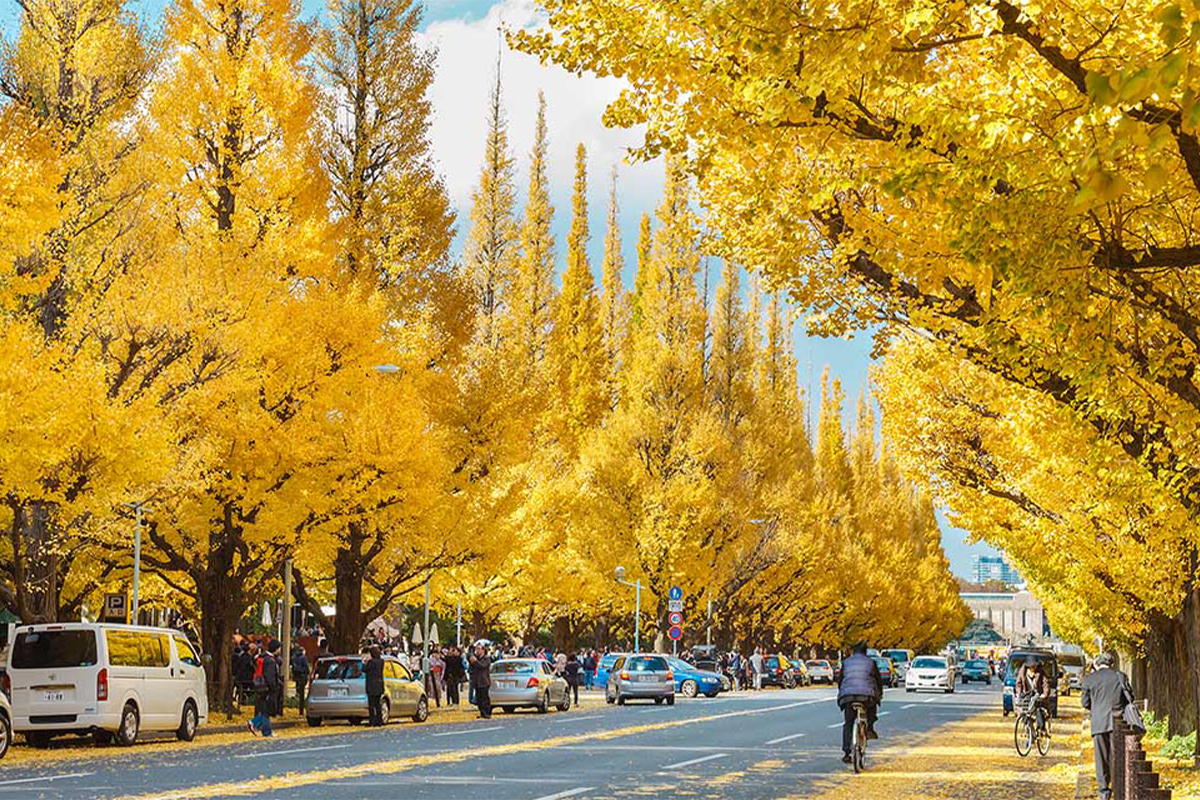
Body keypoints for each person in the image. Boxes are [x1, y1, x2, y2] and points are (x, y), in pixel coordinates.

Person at [1081, 653, 1132, 800]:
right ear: (1112, 664)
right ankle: (1119, 787)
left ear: (1098, 664)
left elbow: (1085, 703)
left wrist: (1096, 708)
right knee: (1117, 755)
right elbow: (1129, 698)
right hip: (1118, 721)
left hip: (1098, 722)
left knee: (1101, 757)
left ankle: (1104, 791)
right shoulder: (1120, 676)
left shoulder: (1090, 679)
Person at [836, 642, 883, 764]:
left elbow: (840, 680)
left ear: (853, 651)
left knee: (848, 723)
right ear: (865, 651)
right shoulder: (871, 663)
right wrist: (880, 695)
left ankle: (846, 753)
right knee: (871, 708)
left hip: (848, 696)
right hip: (867, 696)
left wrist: (842, 692)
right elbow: (878, 681)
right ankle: (870, 728)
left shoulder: (846, 662)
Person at [248, 643, 277, 737]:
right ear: (276, 649)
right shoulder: (270, 661)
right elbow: (270, 676)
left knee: (265, 709)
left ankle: (264, 729)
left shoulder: (261, 657)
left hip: (260, 685)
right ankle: (256, 724)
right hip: (266, 687)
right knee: (266, 710)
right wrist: (273, 688)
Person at [1016, 658, 1052, 733]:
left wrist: (1045, 694)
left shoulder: (1041, 672)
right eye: (1031, 667)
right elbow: (1018, 683)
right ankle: (1029, 734)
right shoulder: (1022, 672)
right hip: (1027, 695)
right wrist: (1019, 692)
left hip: (1038, 695)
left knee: (1039, 710)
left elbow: (1046, 684)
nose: (1033, 669)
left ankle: (1041, 729)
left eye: (1034, 667)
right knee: (1024, 713)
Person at [364, 645, 386, 726]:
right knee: (377, 704)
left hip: (371, 685)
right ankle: (379, 721)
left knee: (371, 705)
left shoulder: (371, 662)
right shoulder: (381, 661)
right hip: (379, 684)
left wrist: (364, 662)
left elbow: (364, 669)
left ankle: (372, 721)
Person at [469, 644, 492, 719]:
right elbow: (472, 669)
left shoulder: (486, 659)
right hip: (477, 681)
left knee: (485, 698)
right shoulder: (476, 658)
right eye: (476, 649)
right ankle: (482, 712)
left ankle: (487, 713)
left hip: (484, 681)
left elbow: (482, 666)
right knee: (479, 699)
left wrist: (475, 662)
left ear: (483, 650)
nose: (477, 651)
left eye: (479, 649)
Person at [290, 646, 311, 714]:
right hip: (302, 676)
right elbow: (307, 668)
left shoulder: (293, 658)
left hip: (296, 677)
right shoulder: (303, 658)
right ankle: (301, 709)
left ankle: (300, 708)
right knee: (302, 693)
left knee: (299, 691)